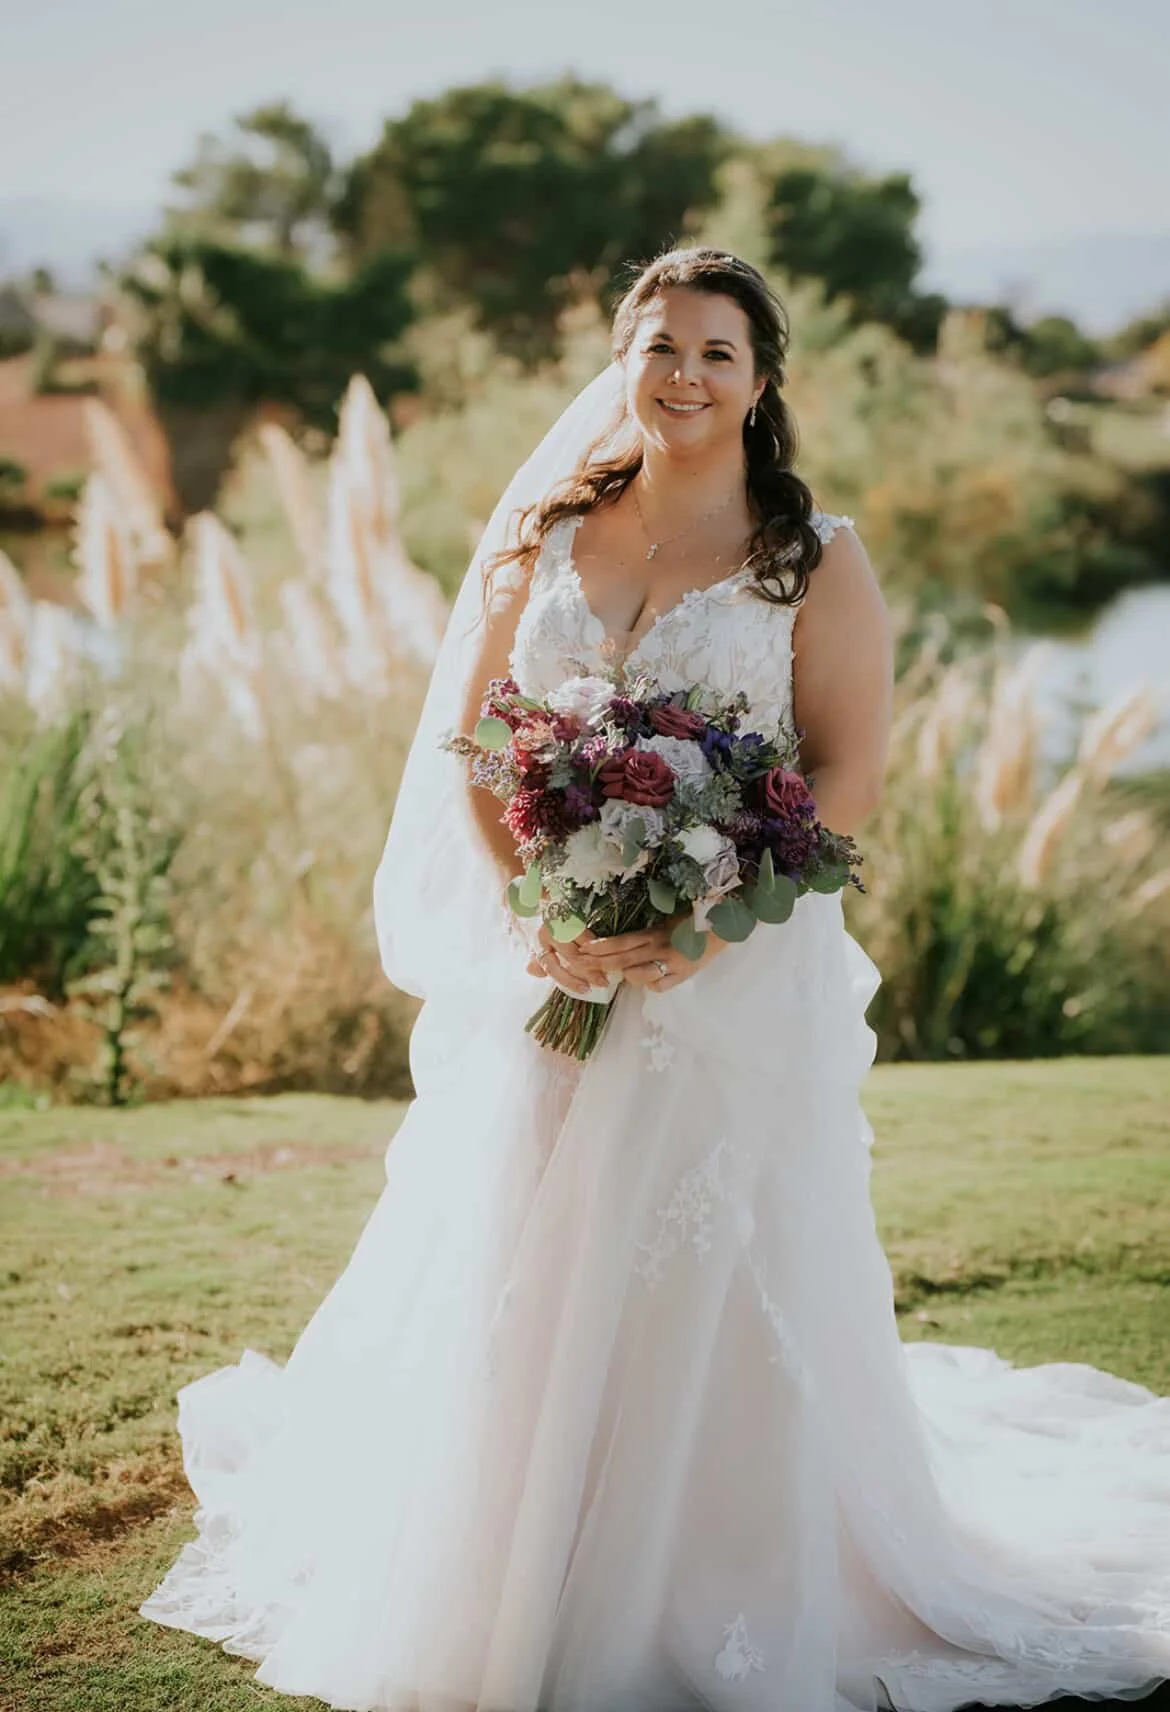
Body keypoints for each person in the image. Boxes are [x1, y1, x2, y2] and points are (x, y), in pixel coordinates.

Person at [140, 248, 1170, 1712]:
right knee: (527, 1235)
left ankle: (702, 1559)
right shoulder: (543, 535)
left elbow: (848, 773)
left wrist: (696, 931)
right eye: (661, 344)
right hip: (550, 964)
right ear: (624, 361)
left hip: (729, 979)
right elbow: (482, 749)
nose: (684, 372)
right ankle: (508, 1548)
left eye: (717, 352)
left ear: (760, 386)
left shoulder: (811, 555)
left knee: (697, 1251)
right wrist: (530, 916)